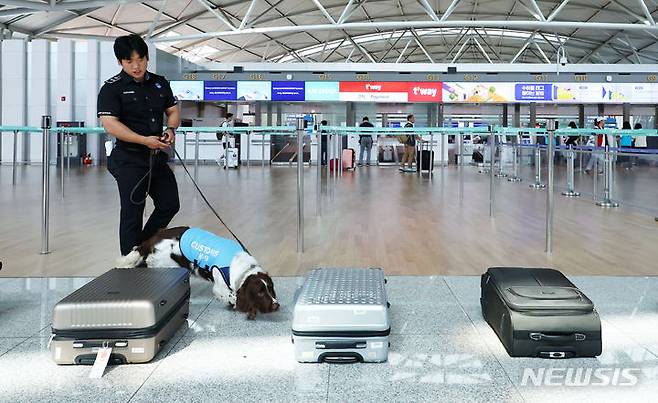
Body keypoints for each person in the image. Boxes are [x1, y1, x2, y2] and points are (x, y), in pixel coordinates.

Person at [98, 34, 180, 256]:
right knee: (133, 212)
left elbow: (172, 110)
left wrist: (170, 129)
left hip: (156, 157)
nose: (136, 66)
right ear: (120, 62)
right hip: (128, 158)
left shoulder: (160, 83)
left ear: (147, 58)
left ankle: (141, 246)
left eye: (141, 59)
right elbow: (110, 125)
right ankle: (130, 263)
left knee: (170, 204)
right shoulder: (111, 88)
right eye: (129, 61)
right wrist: (144, 140)